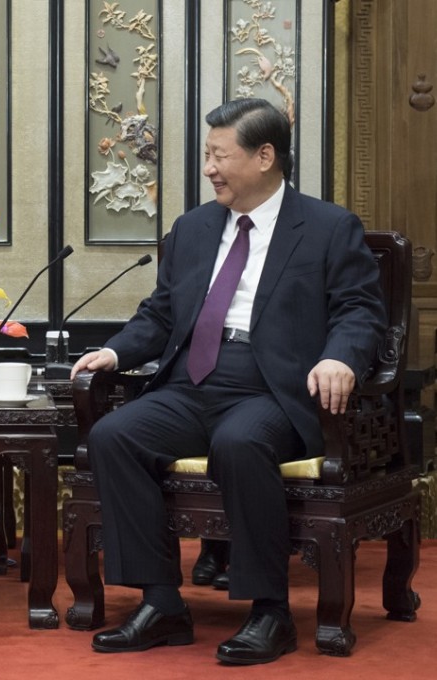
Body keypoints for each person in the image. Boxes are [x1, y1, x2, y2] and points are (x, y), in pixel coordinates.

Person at [70, 98, 386, 665]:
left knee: (239, 442)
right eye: (208, 155)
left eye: (220, 155)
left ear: (265, 156)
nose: (210, 168)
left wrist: (340, 358)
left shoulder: (328, 227)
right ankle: (162, 603)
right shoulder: (193, 228)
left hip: (275, 388)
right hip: (192, 383)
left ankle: (270, 612)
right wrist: (114, 352)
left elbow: (360, 312)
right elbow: (162, 314)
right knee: (114, 436)